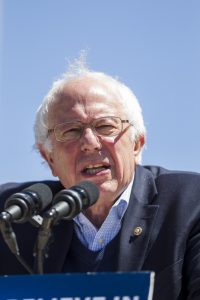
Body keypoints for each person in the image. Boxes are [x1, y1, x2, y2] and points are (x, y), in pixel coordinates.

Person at [0, 56, 200, 300]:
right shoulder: (11, 215)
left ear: (137, 144)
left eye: (105, 126)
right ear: (49, 158)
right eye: (71, 131)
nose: (90, 143)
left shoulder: (190, 205)